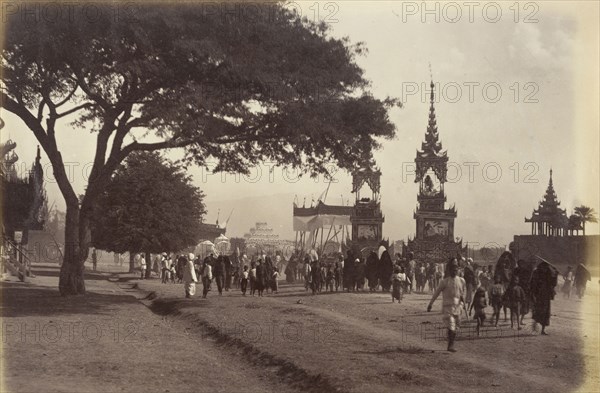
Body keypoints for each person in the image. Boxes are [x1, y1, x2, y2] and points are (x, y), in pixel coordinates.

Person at [427, 259, 466, 352]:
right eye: (452, 270)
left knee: (456, 327)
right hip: (448, 308)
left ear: (458, 271)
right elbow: (436, 293)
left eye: (456, 270)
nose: (454, 272)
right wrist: (430, 304)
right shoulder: (444, 282)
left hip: (458, 308)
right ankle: (450, 345)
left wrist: (463, 302)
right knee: (451, 325)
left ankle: (450, 342)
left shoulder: (461, 280)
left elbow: (462, 293)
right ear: (449, 271)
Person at [530, 260, 558, 335]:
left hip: (545, 297)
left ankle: (541, 329)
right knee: (539, 312)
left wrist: (555, 274)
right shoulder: (537, 273)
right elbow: (533, 284)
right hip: (539, 296)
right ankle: (537, 329)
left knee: (544, 313)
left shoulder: (549, 274)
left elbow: (554, 283)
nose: (544, 268)